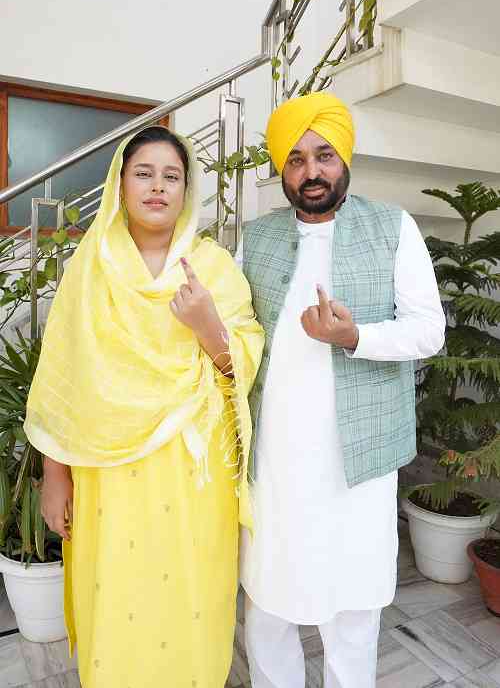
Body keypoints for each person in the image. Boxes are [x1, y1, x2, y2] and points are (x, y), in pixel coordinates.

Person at [25, 126, 264, 688]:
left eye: (172, 176)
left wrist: (209, 327)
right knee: (117, 595)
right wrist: (53, 476)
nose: (158, 187)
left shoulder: (214, 267)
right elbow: (64, 379)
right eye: (144, 173)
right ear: (120, 184)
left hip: (192, 478)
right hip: (108, 477)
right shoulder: (91, 269)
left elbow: (240, 366)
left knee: (190, 597)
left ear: (187, 190)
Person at [237, 92, 445, 688]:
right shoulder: (258, 236)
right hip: (274, 457)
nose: (311, 172)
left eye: (323, 155)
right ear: (282, 170)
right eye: (296, 160)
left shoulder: (392, 226)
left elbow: (430, 330)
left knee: (353, 605)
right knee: (269, 602)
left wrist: (356, 335)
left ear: (344, 158)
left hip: (360, 457)